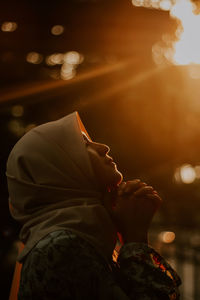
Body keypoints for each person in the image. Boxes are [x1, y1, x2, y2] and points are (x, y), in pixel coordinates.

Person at [6, 111, 181, 300]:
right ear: (57, 169)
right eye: (83, 145)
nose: (103, 147)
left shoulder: (84, 240)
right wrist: (135, 238)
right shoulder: (62, 248)